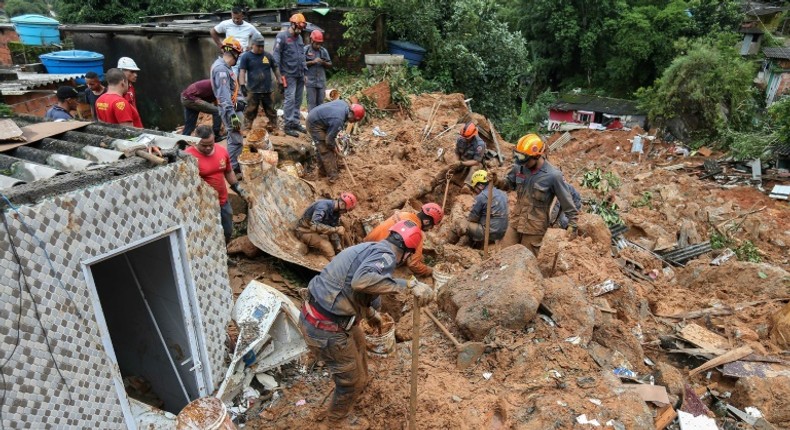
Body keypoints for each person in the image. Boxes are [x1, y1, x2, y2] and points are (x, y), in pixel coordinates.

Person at [299, 220, 435, 427]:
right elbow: (361, 282)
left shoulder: (370, 249)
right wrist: (409, 284)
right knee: (349, 382)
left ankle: (359, 387)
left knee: (361, 345)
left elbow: (358, 288)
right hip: (325, 326)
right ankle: (334, 423)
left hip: (326, 315)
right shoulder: (386, 256)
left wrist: (371, 313)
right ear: (407, 253)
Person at [505, 133, 578, 256]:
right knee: (504, 255)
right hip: (516, 221)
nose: (522, 163)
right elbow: (508, 185)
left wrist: (573, 223)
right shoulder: (519, 167)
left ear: (537, 156)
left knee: (525, 261)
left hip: (534, 228)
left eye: (525, 159)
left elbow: (566, 201)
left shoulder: (553, 175)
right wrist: (496, 181)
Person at [184, 125, 245, 244]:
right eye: (203, 145)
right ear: (195, 141)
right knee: (208, 234)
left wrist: (238, 188)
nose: (208, 148)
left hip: (222, 201)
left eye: (210, 144)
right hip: (202, 204)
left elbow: (228, 171)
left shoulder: (222, 151)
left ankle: (224, 255)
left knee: (227, 231)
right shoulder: (188, 156)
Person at [362, 202, 444, 277]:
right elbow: (413, 264)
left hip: (365, 246)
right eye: (432, 225)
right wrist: (429, 270)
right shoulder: (416, 232)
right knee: (407, 268)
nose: (431, 228)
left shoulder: (404, 214)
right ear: (427, 222)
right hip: (378, 259)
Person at [306, 100, 365, 183]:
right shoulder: (338, 120)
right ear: (352, 115)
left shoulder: (344, 105)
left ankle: (322, 173)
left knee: (322, 148)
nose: (353, 122)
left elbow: (331, 133)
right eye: (354, 120)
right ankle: (333, 178)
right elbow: (329, 142)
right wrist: (337, 152)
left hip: (319, 118)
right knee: (326, 151)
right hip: (314, 124)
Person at [211, 37, 244, 173]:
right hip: (230, 111)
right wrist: (233, 116)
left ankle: (233, 167)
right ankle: (233, 169)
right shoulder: (221, 70)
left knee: (234, 138)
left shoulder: (224, 67)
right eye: (238, 55)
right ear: (235, 54)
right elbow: (224, 97)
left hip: (234, 108)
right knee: (235, 140)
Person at [273, 13, 308, 137]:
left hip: (299, 74)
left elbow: (302, 56)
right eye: (298, 27)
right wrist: (278, 76)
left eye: (301, 28)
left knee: (298, 100)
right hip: (288, 74)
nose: (300, 31)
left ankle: (295, 122)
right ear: (292, 24)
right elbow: (276, 57)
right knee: (290, 99)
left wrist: (305, 72)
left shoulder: (299, 38)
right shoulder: (281, 36)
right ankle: (288, 125)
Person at [454, 170, 509, 247]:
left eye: (474, 188)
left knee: (460, 223)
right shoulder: (503, 194)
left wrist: (466, 218)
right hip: (502, 233)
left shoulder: (481, 196)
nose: (475, 192)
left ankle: (447, 245)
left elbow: (472, 218)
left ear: (480, 185)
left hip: (489, 233)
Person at [294, 192, 357, 259]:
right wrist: (336, 229)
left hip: (316, 230)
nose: (346, 212)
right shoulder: (322, 206)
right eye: (346, 210)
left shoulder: (336, 213)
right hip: (304, 231)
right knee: (327, 246)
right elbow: (314, 226)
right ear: (342, 204)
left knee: (336, 243)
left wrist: (338, 248)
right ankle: (335, 266)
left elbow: (333, 231)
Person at [239, 35, 280, 131]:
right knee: (250, 110)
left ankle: (274, 127)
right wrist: (242, 85)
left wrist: (280, 81)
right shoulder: (246, 56)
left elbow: (275, 68)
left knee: (271, 110)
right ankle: (247, 128)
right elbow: (242, 71)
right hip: (253, 90)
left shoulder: (268, 56)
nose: (261, 48)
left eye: (262, 46)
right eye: (259, 46)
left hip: (267, 89)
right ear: (253, 45)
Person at [304, 30, 332, 112]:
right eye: (317, 43)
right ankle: (311, 122)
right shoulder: (305, 50)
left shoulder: (323, 51)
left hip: (321, 81)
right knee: (311, 103)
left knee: (321, 103)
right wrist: (313, 62)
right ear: (312, 41)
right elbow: (301, 64)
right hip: (310, 82)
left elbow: (330, 64)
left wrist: (323, 62)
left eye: (320, 44)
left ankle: (319, 122)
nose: (318, 46)